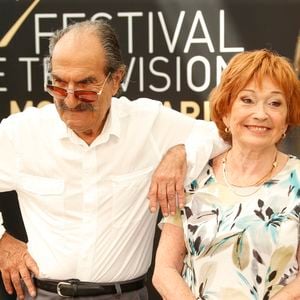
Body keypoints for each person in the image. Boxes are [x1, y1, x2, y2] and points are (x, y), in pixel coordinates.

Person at [0, 19, 224, 300]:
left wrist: (180, 152)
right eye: (58, 84)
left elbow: (224, 135)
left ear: (116, 79)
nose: (70, 100)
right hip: (41, 294)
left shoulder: (149, 124)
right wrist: (3, 239)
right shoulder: (21, 133)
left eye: (85, 86)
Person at [153, 49, 300, 300]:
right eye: (247, 100)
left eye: (275, 103)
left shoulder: (296, 180)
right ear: (226, 111)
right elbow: (164, 270)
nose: (261, 114)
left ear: (287, 119)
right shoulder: (194, 176)